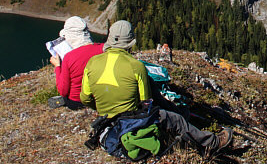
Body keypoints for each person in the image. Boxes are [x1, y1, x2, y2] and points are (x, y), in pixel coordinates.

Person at [80, 20, 232, 156]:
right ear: (130, 43)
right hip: (131, 118)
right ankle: (212, 143)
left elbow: (85, 98)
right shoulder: (136, 66)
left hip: (105, 119)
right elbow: (147, 101)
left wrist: (104, 108)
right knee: (177, 119)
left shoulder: (92, 63)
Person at [48, 16, 104, 110]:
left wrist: (58, 66)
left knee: (65, 97)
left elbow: (63, 91)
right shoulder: (103, 48)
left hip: (77, 101)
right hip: (102, 97)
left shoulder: (69, 57)